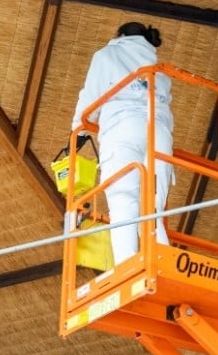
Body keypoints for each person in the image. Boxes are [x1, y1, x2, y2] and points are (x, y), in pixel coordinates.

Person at [71, 21, 173, 266]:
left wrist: (78, 129)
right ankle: (162, 264)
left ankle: (127, 267)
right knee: (153, 206)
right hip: (159, 133)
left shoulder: (108, 55)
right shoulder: (161, 71)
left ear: (120, 35)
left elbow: (90, 94)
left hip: (123, 128)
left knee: (124, 198)